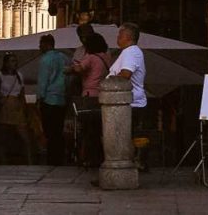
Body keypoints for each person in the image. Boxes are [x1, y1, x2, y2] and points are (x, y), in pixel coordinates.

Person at [108, 22, 148, 169]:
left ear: (127, 36)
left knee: (124, 136)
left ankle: (128, 164)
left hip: (129, 102)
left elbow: (126, 74)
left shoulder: (131, 52)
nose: (117, 38)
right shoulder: (127, 52)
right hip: (123, 102)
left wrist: (111, 79)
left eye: (119, 35)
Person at [72, 33, 110, 167]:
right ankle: (100, 157)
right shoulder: (106, 57)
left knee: (88, 130)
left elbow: (79, 69)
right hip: (103, 95)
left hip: (89, 94)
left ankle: (90, 158)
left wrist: (73, 65)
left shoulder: (90, 57)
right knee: (100, 129)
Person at [37, 34, 68, 166]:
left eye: (41, 44)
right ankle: (59, 157)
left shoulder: (45, 60)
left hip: (49, 99)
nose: (39, 47)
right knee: (58, 130)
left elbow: (43, 81)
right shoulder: (64, 58)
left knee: (49, 131)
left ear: (46, 44)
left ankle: (52, 159)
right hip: (61, 98)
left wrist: (39, 97)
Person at [0, 53, 32, 164]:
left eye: (15, 61)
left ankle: (29, 161)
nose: (14, 63)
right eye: (11, 61)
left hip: (16, 106)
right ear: (6, 63)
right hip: (5, 106)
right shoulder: (0, 75)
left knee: (25, 137)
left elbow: (22, 93)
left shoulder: (19, 76)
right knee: (2, 138)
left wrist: (24, 108)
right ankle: (3, 161)